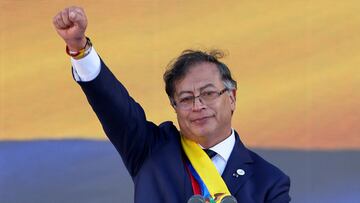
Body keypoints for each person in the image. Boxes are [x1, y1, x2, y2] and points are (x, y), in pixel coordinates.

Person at [53, 6, 291, 203]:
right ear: (174, 106)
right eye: (186, 98)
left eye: (208, 94)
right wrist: (80, 49)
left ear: (232, 97)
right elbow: (112, 105)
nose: (198, 106)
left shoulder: (269, 181)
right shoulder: (150, 149)